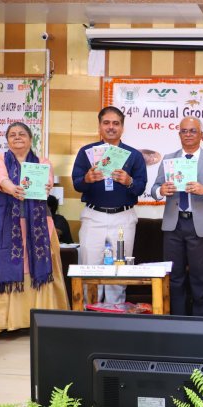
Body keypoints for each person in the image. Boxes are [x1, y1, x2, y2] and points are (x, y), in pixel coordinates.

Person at [0, 122, 68, 330]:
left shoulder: (42, 161)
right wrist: (10, 187)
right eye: (12, 135)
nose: (17, 137)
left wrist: (47, 185)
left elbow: (47, 181)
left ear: (31, 139)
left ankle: (39, 320)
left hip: (38, 222)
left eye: (22, 134)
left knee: (38, 264)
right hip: (1, 222)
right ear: (7, 140)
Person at [151, 117, 203, 316]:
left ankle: (200, 323)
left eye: (193, 131)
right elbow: (153, 188)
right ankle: (177, 320)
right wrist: (162, 190)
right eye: (184, 131)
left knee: (200, 276)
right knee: (174, 276)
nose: (188, 135)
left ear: (202, 134)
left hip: (199, 225)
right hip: (173, 224)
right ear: (179, 135)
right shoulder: (169, 159)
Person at [71, 106, 147, 303]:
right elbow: (76, 183)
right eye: (106, 123)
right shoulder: (86, 152)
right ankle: (89, 314)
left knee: (119, 269)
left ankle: (116, 312)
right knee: (89, 267)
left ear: (122, 127)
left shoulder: (133, 155)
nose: (111, 127)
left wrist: (128, 181)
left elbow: (140, 187)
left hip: (124, 217)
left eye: (116, 123)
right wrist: (87, 178)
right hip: (93, 216)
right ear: (99, 126)